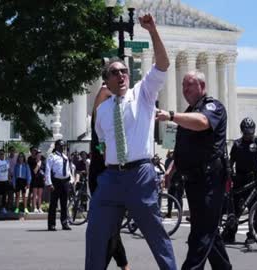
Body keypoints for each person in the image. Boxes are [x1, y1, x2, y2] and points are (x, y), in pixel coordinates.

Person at [86, 14, 177, 270]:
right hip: (111, 178)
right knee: (95, 234)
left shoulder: (143, 94)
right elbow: (102, 143)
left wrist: (153, 31)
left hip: (140, 175)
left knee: (155, 235)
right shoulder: (102, 112)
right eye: (115, 72)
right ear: (108, 79)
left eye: (124, 71)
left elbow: (162, 64)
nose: (122, 75)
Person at [158, 70, 232, 270]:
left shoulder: (212, 107)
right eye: (183, 85)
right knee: (209, 231)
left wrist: (172, 115)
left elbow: (202, 123)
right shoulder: (190, 112)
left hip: (210, 180)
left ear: (202, 86)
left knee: (200, 235)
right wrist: (171, 170)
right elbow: (182, 148)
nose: (184, 89)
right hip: (193, 181)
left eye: (188, 85)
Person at [88, 83, 129, 270]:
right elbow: (101, 96)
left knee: (110, 229)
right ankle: (123, 266)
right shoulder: (99, 122)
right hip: (100, 179)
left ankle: (122, 265)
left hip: (114, 179)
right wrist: (110, 90)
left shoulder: (117, 128)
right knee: (109, 229)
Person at [223, 117, 257, 245]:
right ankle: (230, 233)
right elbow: (231, 162)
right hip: (239, 179)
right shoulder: (237, 144)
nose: (249, 135)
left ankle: (252, 235)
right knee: (237, 209)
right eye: (246, 132)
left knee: (253, 208)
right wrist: (229, 172)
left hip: (253, 178)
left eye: (251, 132)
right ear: (242, 131)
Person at [45, 139, 73, 231]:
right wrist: (49, 183)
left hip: (65, 182)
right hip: (56, 182)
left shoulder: (65, 157)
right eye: (61, 146)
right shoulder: (52, 156)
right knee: (53, 204)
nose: (62, 147)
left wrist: (71, 180)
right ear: (56, 146)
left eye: (63, 146)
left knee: (64, 204)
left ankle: (64, 223)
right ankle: (51, 224)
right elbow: (48, 170)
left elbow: (68, 169)